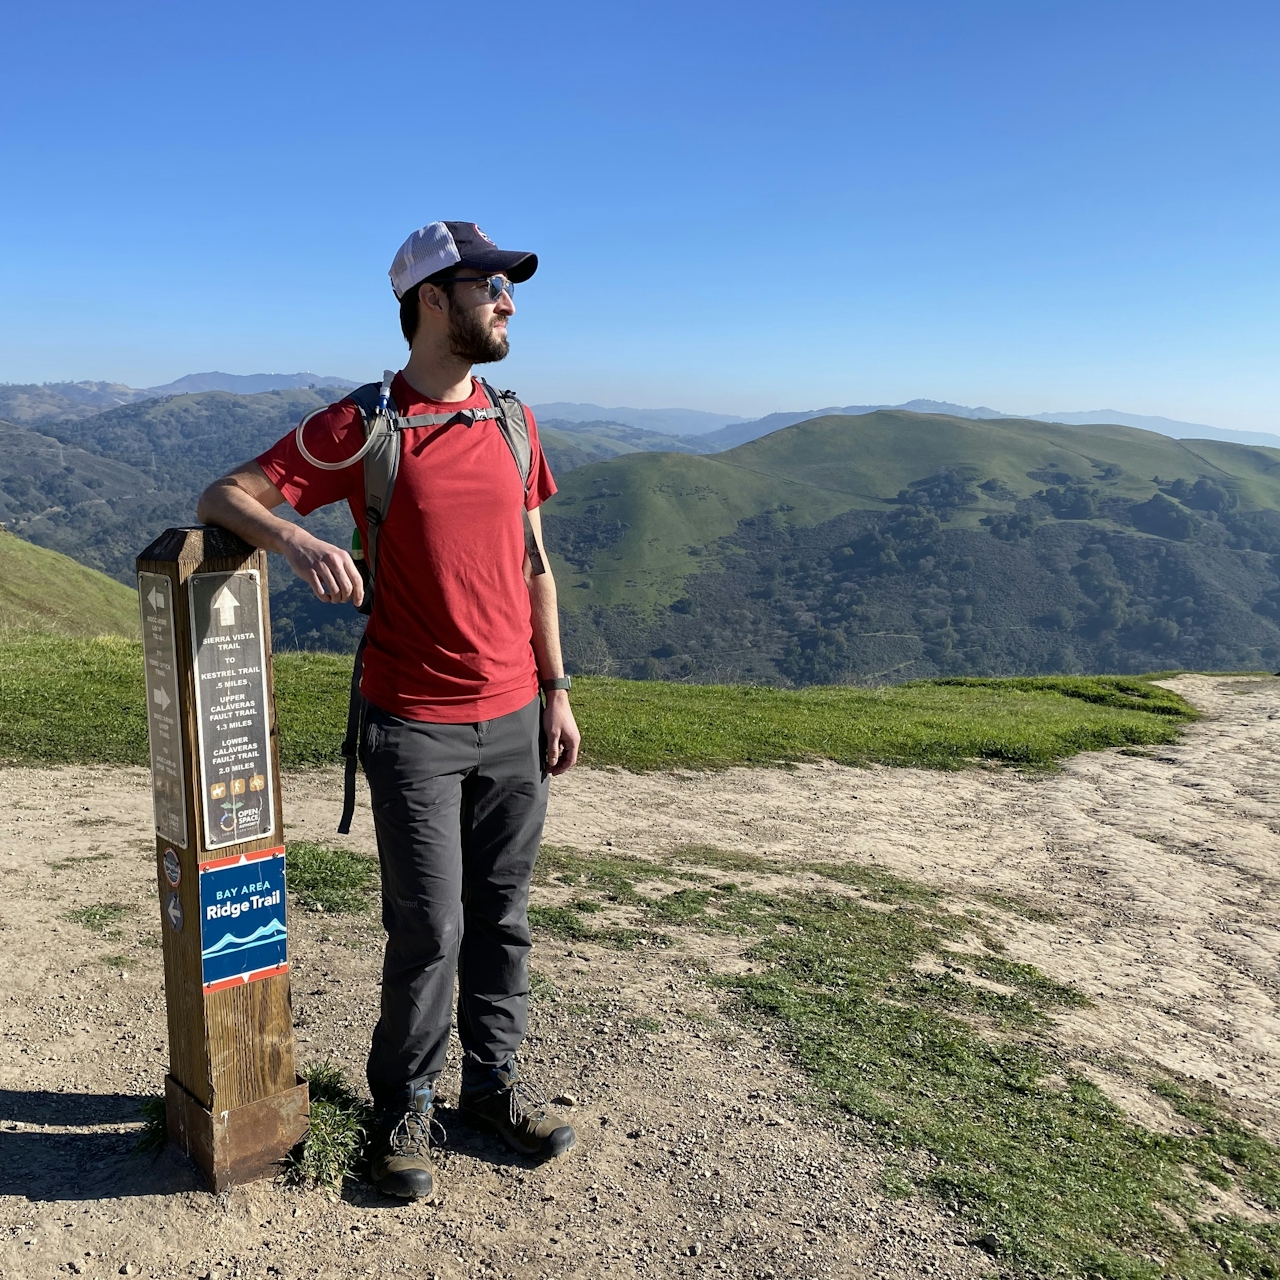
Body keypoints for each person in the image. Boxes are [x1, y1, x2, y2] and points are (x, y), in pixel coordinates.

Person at [196, 221, 581, 1202]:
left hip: (514, 715)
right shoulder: (363, 424)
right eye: (489, 285)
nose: (507, 301)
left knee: (503, 916)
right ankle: (401, 1103)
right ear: (429, 300)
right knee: (428, 928)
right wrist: (294, 538)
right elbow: (226, 492)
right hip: (411, 721)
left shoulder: (512, 420)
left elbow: (535, 566)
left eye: (505, 286)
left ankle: (489, 1090)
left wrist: (557, 690)